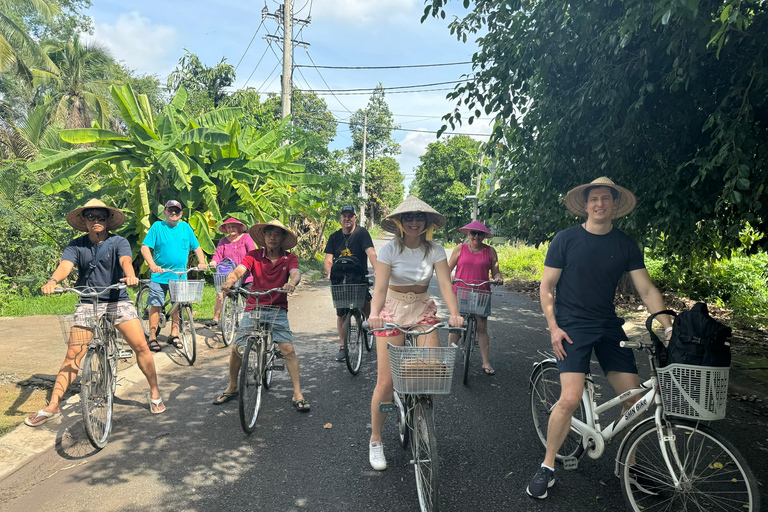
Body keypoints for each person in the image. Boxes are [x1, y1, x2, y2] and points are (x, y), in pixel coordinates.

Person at [526, 177, 672, 499]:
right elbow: (547, 287)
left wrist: (668, 325)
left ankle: (629, 467)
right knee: (569, 398)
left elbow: (646, 289)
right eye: (594, 198)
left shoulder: (625, 245)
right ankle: (548, 466)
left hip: (608, 325)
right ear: (586, 203)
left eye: (606, 199)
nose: (600, 204)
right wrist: (553, 326)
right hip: (572, 325)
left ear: (614, 205)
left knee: (634, 400)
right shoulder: (565, 239)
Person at [26, 199, 165, 427]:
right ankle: (53, 406)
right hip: (88, 302)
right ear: (84, 220)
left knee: (141, 346)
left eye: (102, 217)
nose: (97, 221)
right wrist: (52, 281)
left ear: (108, 220)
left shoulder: (118, 242)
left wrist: (129, 274)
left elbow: (126, 260)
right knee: (73, 355)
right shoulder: (76, 245)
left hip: (116, 299)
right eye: (92, 217)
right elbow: (65, 266)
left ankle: (154, 391)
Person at [367, 196, 464, 470]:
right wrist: (374, 314)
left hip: (422, 308)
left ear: (427, 222)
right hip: (392, 309)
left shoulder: (435, 249)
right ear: (400, 222)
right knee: (386, 383)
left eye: (419, 217)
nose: (413, 222)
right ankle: (376, 440)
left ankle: (421, 414)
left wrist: (454, 313)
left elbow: (445, 284)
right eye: (408, 218)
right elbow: (381, 288)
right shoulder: (389, 250)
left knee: (430, 371)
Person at [214, 220, 309, 411]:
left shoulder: (290, 258)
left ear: (283, 238)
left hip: (277, 308)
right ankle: (232, 386)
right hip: (255, 305)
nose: (272, 237)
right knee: (237, 348)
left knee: (288, 349)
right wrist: (230, 280)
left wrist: (292, 283)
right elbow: (239, 271)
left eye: (276, 234)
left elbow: (296, 274)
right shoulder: (254, 255)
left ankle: (298, 392)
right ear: (263, 237)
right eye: (268, 234)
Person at [140, 200, 208, 352]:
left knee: (178, 306)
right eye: (170, 210)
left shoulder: (185, 228)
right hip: (160, 275)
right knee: (156, 305)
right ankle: (152, 336)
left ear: (181, 214)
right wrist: (152, 265)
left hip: (180, 276)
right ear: (164, 212)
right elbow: (145, 248)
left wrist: (202, 262)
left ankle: (174, 334)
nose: (173, 213)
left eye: (176, 211)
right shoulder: (157, 227)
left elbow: (197, 247)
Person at [447, 220, 503, 375]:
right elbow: (447, 268)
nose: (476, 237)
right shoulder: (460, 248)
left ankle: (486, 362)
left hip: (481, 293)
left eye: (480, 234)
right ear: (468, 234)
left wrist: (497, 278)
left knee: (482, 328)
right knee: (456, 325)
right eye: (473, 233)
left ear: (484, 235)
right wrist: (450, 277)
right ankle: (448, 359)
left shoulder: (490, 251)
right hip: (460, 291)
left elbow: (496, 272)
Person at [324, 205, 378, 362]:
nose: (347, 218)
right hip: (340, 279)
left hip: (358, 277)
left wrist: (377, 269)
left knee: (365, 302)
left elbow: (371, 253)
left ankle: (371, 325)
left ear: (355, 218)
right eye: (344, 216)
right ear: (340, 218)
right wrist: (329, 271)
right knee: (341, 313)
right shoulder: (334, 237)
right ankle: (343, 346)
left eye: (350, 216)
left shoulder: (362, 233)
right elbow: (328, 259)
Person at [205, 218, 256, 328]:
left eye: (233, 226)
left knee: (249, 298)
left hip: (245, 275)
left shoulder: (246, 238)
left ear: (238, 227)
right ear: (225, 229)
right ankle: (215, 318)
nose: (231, 229)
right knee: (220, 294)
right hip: (228, 276)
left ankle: (252, 321)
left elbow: (252, 253)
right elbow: (218, 254)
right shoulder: (223, 241)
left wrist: (250, 265)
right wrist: (213, 262)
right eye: (228, 227)